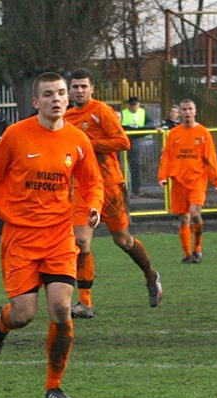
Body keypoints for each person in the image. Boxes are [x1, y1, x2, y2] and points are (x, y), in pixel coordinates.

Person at [0, 71, 104, 398]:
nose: (56, 98)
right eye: (48, 94)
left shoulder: (77, 140)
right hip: (20, 238)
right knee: (24, 315)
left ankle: (54, 386)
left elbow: (92, 183)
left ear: (67, 99)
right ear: (35, 102)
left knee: (60, 308)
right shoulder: (16, 135)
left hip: (58, 235)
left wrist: (94, 207)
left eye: (60, 93)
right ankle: (2, 323)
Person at [66, 68, 163, 318]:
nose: (79, 90)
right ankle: (85, 302)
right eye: (75, 86)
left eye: (83, 86)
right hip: (82, 188)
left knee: (123, 240)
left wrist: (90, 145)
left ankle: (150, 274)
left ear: (91, 89)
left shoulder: (101, 111)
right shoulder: (66, 117)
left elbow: (123, 142)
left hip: (109, 185)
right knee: (81, 242)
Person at [157, 98, 217, 263]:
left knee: (195, 215)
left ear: (195, 111)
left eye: (190, 109)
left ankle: (198, 248)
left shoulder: (203, 133)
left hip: (197, 181)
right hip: (179, 181)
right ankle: (187, 253)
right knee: (183, 218)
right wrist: (162, 177)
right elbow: (167, 157)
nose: (187, 112)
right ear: (179, 112)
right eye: (184, 109)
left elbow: (211, 159)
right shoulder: (174, 134)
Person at [120, 96, 148, 195]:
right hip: (124, 141)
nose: (133, 107)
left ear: (139, 104)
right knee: (122, 166)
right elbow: (119, 125)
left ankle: (136, 189)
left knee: (135, 165)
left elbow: (151, 124)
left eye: (135, 105)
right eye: (131, 105)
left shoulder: (143, 112)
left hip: (136, 141)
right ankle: (122, 189)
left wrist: (140, 130)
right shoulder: (124, 113)